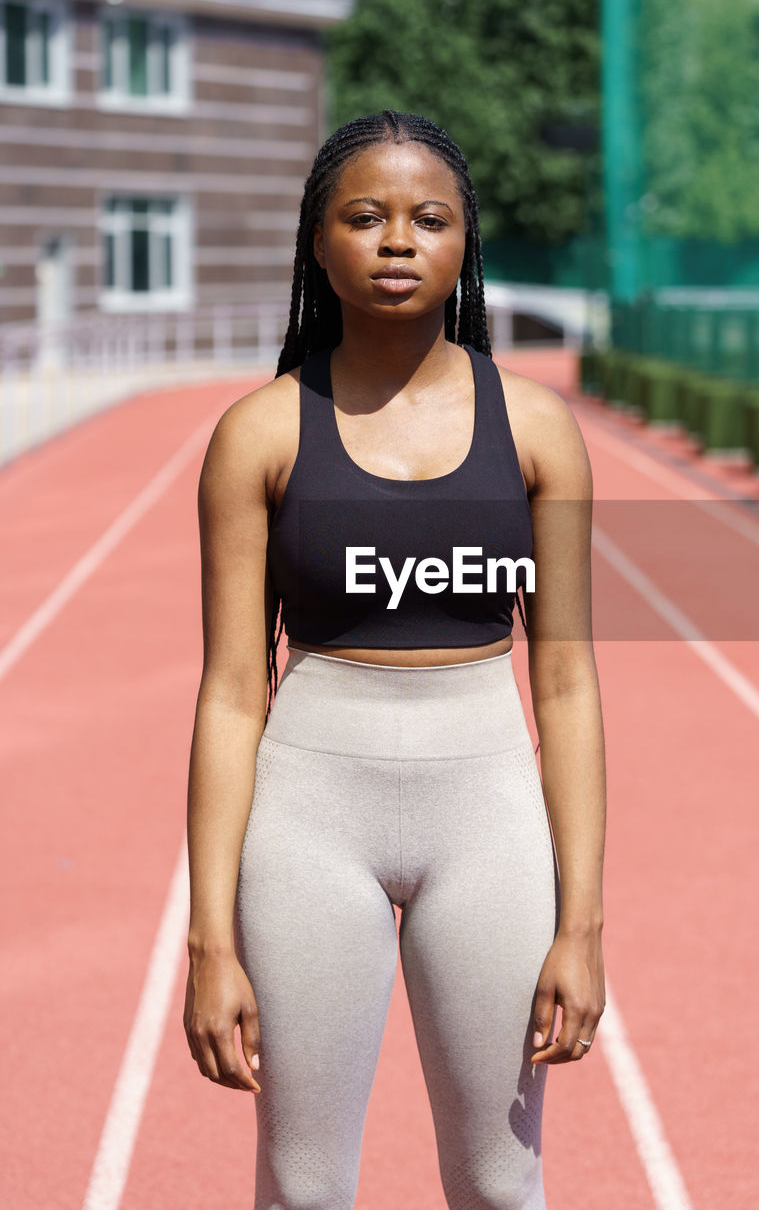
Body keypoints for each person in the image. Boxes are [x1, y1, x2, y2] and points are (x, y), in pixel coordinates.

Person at [183, 109, 607, 1210]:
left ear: (467, 244)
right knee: (305, 1184)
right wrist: (208, 941)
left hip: (490, 817)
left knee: (501, 1182)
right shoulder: (261, 434)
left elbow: (563, 681)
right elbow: (233, 693)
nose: (397, 240)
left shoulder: (538, 430)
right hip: (311, 818)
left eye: (430, 218)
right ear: (317, 242)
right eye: (363, 216)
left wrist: (583, 922)